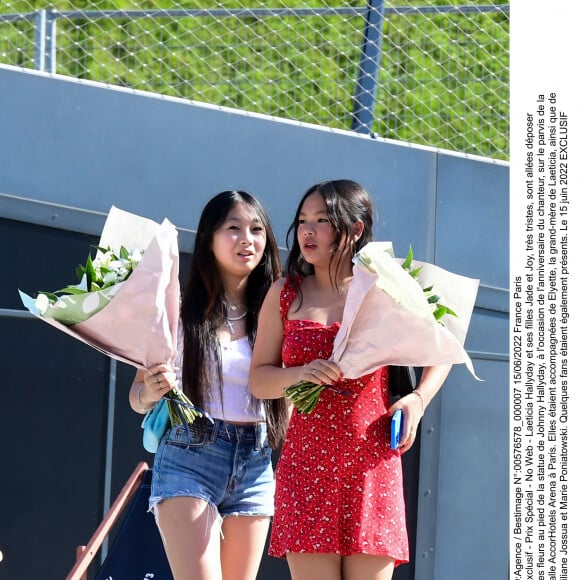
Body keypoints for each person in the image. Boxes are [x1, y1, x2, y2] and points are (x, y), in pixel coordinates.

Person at [249, 179, 451, 580]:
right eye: (303, 220)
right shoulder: (285, 293)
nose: (307, 230)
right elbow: (259, 380)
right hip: (306, 465)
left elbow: (442, 348)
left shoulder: (386, 289)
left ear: (356, 229)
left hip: (371, 461)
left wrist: (419, 400)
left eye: (322, 220)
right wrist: (298, 375)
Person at [129, 190, 289, 580]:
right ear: (208, 239)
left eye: (255, 229)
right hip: (190, 451)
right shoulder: (176, 310)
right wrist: (152, 389)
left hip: (255, 457)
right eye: (233, 228)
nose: (246, 240)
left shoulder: (281, 310)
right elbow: (136, 398)